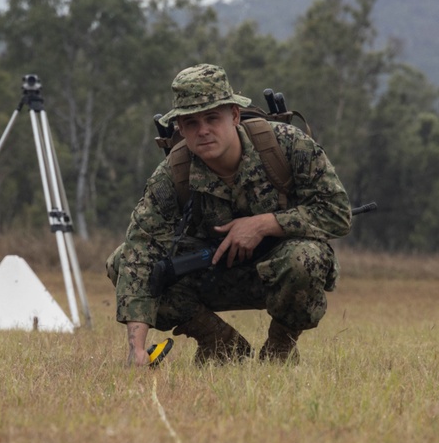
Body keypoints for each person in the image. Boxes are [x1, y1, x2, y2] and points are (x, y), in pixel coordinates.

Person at [107, 64, 352, 366]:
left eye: (212, 118)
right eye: (191, 123)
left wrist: (264, 225)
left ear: (234, 116)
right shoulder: (173, 173)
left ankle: (280, 348)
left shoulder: (288, 145)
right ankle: (219, 342)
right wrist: (137, 349)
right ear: (180, 129)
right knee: (120, 263)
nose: (203, 130)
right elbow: (138, 252)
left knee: (305, 258)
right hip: (209, 276)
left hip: (279, 270)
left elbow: (338, 213)